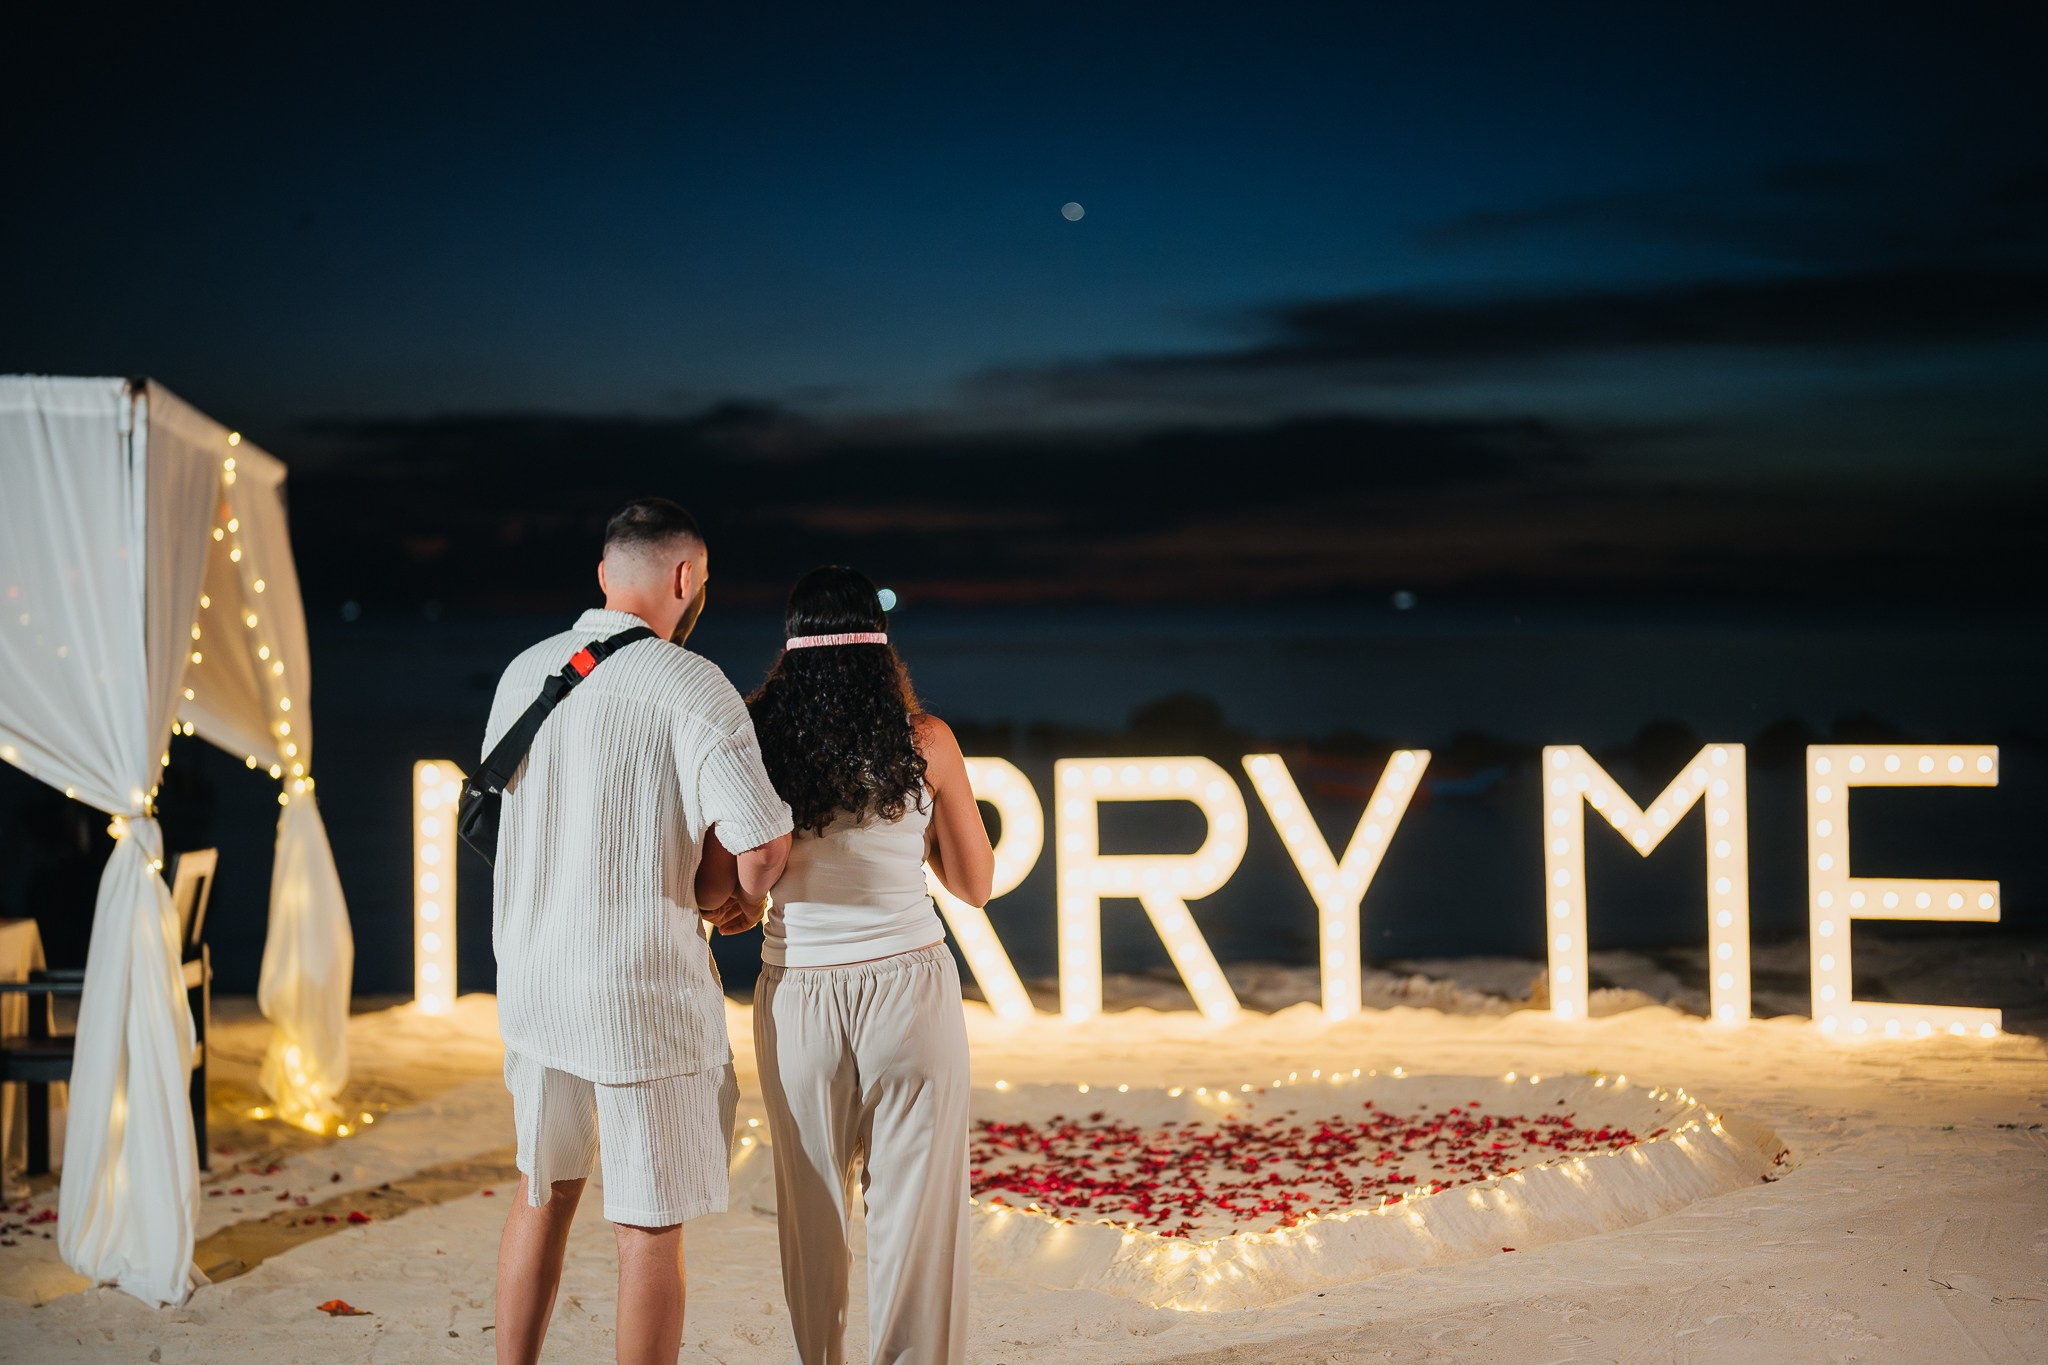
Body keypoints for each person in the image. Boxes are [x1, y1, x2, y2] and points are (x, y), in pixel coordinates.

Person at [484, 497, 793, 1365]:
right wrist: (746, 901)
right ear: (687, 578)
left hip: (538, 981)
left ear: (604, 575)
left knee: (541, 1193)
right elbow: (764, 841)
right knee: (646, 1228)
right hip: (639, 995)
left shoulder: (523, 675)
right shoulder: (692, 684)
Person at [711, 564, 992, 1365]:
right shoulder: (924, 741)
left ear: (790, 648)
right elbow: (976, 884)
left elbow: (731, 888)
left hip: (800, 988)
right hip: (910, 986)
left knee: (812, 1208)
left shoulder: (756, 737)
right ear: (883, 648)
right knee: (916, 1214)